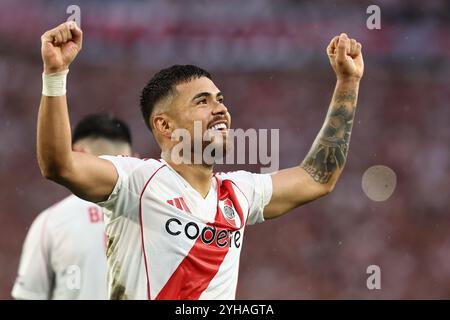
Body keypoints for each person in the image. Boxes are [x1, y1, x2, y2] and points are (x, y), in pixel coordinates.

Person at [37, 21, 364, 299]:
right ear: (165, 125)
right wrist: (55, 74)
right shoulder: (136, 181)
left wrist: (347, 84)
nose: (220, 108)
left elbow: (319, 177)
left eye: (220, 99)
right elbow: (59, 165)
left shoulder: (239, 192)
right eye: (203, 101)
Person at [13, 113, 133, 299]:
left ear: (75, 154)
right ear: (135, 159)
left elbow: (29, 295)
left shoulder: (51, 222)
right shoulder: (164, 216)